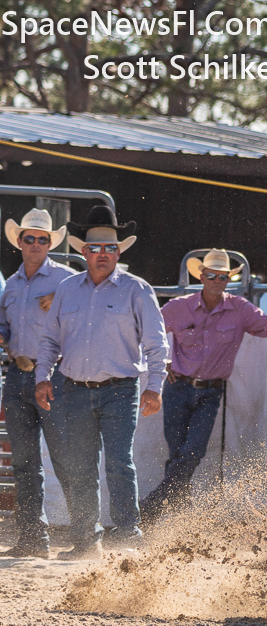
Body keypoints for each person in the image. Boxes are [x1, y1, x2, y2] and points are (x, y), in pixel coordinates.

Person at [35, 206, 168, 559]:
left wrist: (155, 386)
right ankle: (85, 541)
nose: (102, 255)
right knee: (80, 466)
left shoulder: (136, 290)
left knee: (118, 462)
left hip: (120, 389)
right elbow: (50, 340)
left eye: (109, 248)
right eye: (95, 248)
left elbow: (157, 343)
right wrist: (42, 377)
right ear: (84, 252)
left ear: (119, 252)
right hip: (74, 388)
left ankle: (127, 535)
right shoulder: (67, 290)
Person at [139, 250, 267, 525]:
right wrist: (165, 361)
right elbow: (150, 331)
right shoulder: (179, 307)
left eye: (223, 277)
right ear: (202, 277)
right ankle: (177, 517)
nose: (217, 280)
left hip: (210, 392)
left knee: (192, 452)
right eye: (212, 276)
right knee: (179, 452)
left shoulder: (239, 309)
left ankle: (154, 506)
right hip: (177, 387)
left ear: (228, 279)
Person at [0, 209, 75, 558]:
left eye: (42, 239)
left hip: (52, 375)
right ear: (19, 241)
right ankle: (33, 539)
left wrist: (62, 301)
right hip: (16, 373)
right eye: (29, 238)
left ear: (49, 244)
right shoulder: (11, 285)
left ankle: (85, 537)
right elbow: (5, 327)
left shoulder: (67, 281)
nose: (35, 244)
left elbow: (96, 297)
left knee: (64, 458)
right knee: (26, 462)